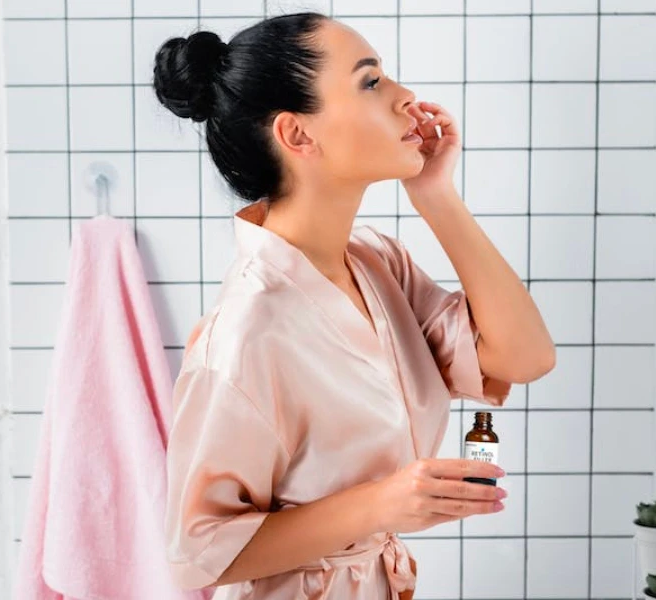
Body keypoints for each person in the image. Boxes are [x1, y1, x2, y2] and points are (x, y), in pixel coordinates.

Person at [153, 11, 555, 600]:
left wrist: (436, 196)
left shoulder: (374, 261)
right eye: (370, 82)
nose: (405, 96)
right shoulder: (247, 332)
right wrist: (382, 504)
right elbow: (196, 554)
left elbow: (524, 357)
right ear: (297, 134)